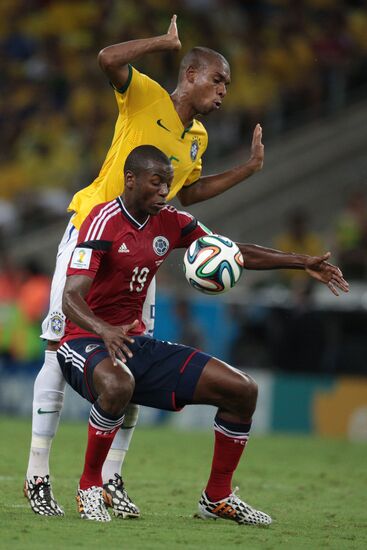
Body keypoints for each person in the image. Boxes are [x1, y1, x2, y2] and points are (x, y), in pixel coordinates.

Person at [24, 15, 265, 517]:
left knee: (129, 356)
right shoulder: (146, 95)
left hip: (141, 249)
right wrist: (164, 42)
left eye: (228, 85)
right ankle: (37, 475)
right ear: (192, 74)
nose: (224, 92)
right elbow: (108, 59)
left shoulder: (195, 137)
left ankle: (110, 478)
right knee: (56, 348)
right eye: (218, 80)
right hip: (93, 236)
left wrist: (247, 169)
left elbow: (190, 191)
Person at [57, 145, 348, 523]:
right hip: (83, 340)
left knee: (242, 390)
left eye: (168, 184)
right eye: (156, 183)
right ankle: (89, 487)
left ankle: (217, 498)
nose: (164, 192)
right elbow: (69, 297)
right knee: (117, 385)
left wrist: (299, 261)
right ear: (130, 180)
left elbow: (231, 251)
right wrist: (103, 329)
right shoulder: (103, 220)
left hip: (131, 344)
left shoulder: (173, 221)